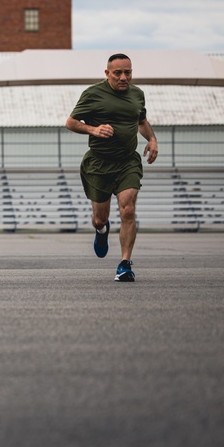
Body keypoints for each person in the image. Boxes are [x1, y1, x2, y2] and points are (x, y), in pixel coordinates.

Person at [66, 53, 158, 282]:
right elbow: (71, 123)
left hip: (127, 161)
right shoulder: (93, 94)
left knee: (128, 209)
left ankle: (125, 264)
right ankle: (101, 230)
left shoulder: (137, 94)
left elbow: (141, 121)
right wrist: (93, 130)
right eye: (118, 73)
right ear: (107, 73)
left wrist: (152, 139)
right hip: (99, 163)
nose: (124, 77)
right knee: (99, 218)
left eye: (128, 72)